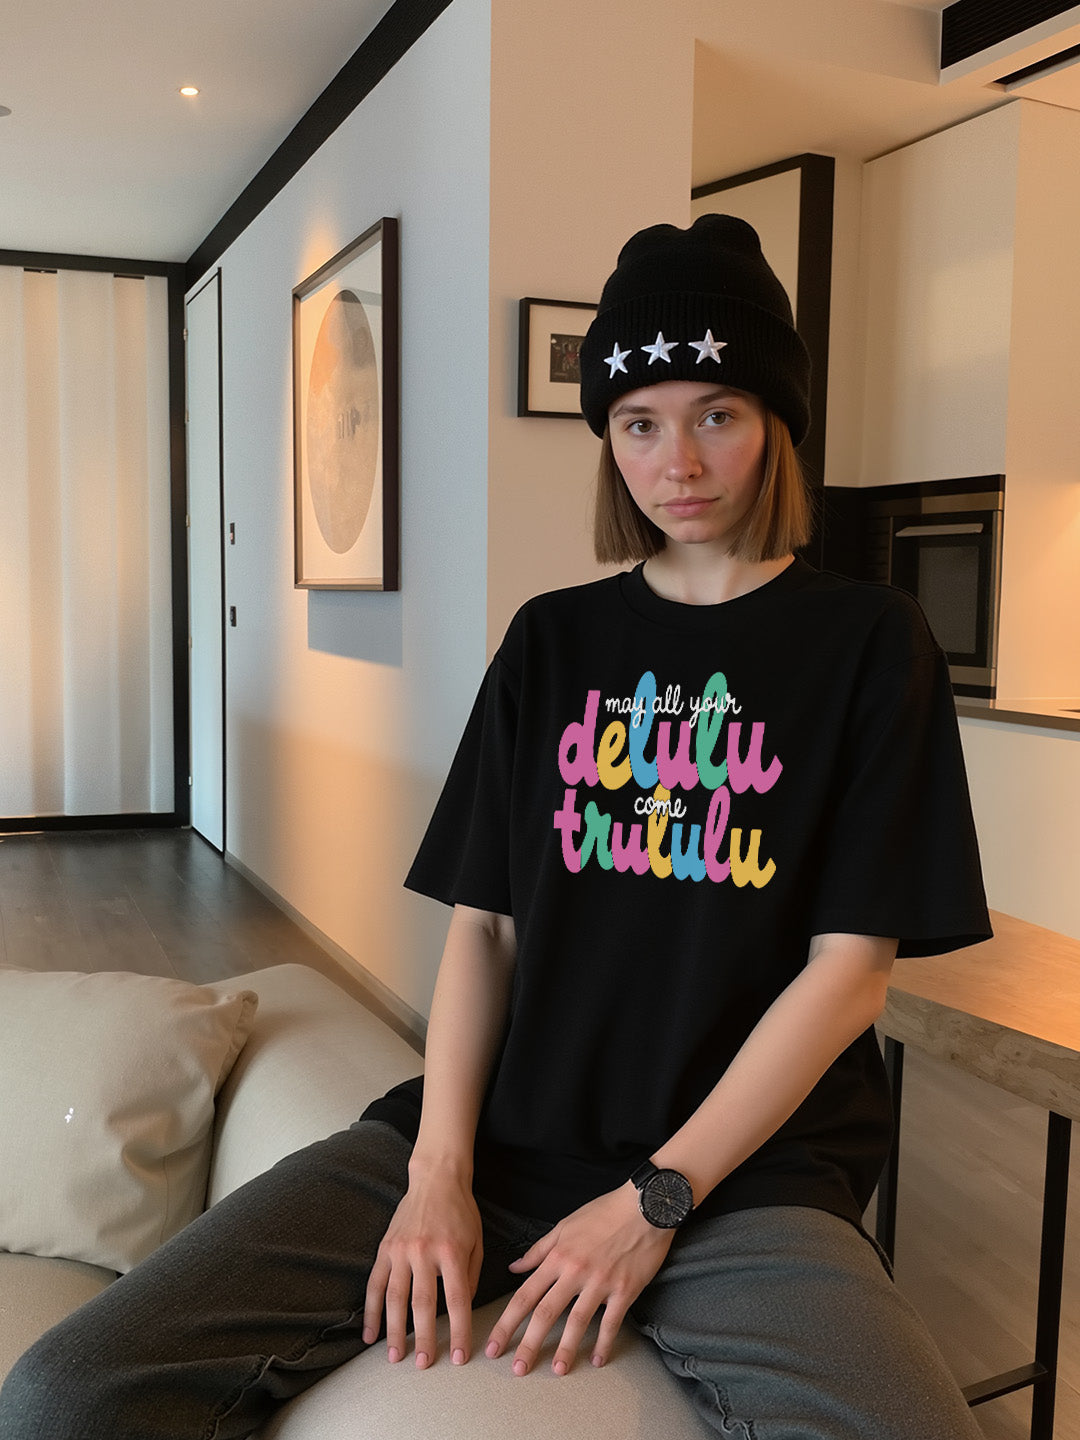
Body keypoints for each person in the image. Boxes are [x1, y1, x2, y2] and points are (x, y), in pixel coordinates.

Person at [0, 215, 991, 1440]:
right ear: (607, 438)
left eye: (718, 414)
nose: (678, 460)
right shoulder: (552, 641)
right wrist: (437, 1172)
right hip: (511, 1136)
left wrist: (656, 1199)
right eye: (639, 423)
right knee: (65, 1391)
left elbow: (848, 975)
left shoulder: (872, 643)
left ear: (778, 422)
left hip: (748, 1181)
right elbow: (486, 932)